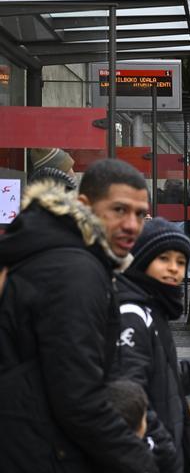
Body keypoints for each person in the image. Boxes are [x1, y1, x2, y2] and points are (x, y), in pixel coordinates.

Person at [0, 158, 156, 473]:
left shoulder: (61, 254)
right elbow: (78, 398)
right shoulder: (76, 272)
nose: (132, 225)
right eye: (119, 210)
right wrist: (142, 463)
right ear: (84, 205)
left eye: (140, 214)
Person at [114, 218, 190, 473]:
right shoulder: (133, 316)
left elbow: (160, 379)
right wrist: (169, 456)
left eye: (180, 262)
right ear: (141, 261)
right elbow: (130, 402)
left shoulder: (152, 309)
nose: (173, 269)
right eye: (163, 259)